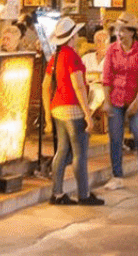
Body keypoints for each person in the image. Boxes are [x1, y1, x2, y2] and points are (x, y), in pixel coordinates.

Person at [42, 16, 104, 207]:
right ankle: (83, 194)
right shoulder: (72, 56)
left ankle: (57, 193)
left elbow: (45, 86)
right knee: (79, 153)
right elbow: (78, 86)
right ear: (72, 36)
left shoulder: (55, 57)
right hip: (73, 110)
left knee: (61, 151)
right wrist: (87, 114)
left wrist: (47, 116)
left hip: (57, 109)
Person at [102, 12, 138, 191]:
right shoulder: (112, 49)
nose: (119, 34)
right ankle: (117, 175)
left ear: (132, 32)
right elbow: (107, 76)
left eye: (123, 30)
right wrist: (106, 101)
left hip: (136, 97)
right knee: (115, 137)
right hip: (116, 98)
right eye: (118, 30)